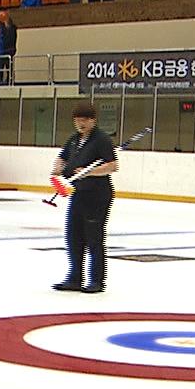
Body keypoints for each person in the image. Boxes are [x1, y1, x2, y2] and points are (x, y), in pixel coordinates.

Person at [51, 102, 118, 294]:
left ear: (93, 120)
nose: (80, 124)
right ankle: (75, 277)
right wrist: (57, 169)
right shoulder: (74, 140)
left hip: (97, 195)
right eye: (77, 120)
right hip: (78, 193)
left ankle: (96, 280)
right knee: (73, 236)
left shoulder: (102, 140)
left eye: (84, 120)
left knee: (94, 238)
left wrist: (90, 172)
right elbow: (62, 158)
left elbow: (112, 166)